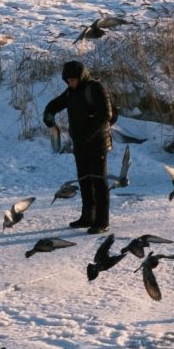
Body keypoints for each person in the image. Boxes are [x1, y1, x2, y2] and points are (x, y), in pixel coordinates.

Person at [41, 61, 116, 230]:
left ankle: (102, 221)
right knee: (84, 181)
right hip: (80, 144)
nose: (70, 83)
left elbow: (106, 114)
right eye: (68, 80)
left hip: (97, 143)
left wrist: (88, 135)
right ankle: (88, 217)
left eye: (73, 80)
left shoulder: (95, 88)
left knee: (99, 182)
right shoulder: (71, 92)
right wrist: (48, 113)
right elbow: (55, 104)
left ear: (81, 76)